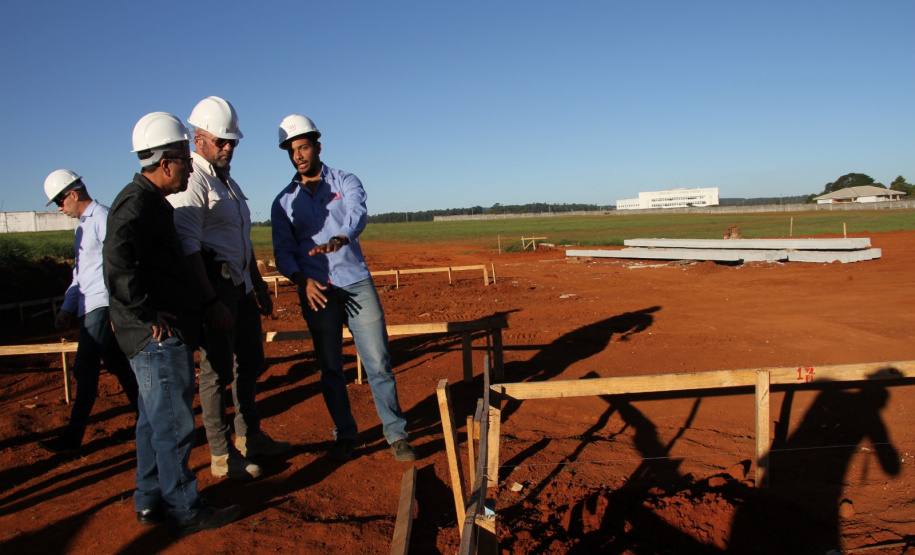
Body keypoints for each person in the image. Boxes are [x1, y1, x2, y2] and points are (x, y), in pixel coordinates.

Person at [104, 111, 241, 536]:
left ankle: (149, 500)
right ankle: (184, 507)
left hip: (155, 332)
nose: (188, 166)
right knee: (174, 424)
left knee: (152, 421)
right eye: (184, 158)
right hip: (156, 338)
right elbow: (116, 262)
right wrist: (146, 312)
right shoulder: (137, 204)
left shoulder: (149, 202)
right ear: (166, 164)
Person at [271, 114, 416, 462]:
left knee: (378, 361)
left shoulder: (345, 180)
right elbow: (282, 251)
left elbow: (357, 212)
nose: (298, 156)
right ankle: (345, 434)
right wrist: (301, 280)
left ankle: (396, 434)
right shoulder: (283, 202)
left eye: (303, 147)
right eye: (292, 151)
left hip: (355, 281)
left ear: (318, 146)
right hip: (316, 289)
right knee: (330, 367)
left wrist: (341, 236)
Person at [169, 96, 288, 481]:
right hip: (214, 288)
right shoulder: (192, 182)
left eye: (231, 141)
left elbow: (242, 240)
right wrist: (210, 300)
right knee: (216, 372)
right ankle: (221, 455)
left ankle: (249, 436)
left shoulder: (228, 182)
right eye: (220, 141)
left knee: (251, 362)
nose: (227, 147)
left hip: (239, 286)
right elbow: (188, 248)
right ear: (197, 139)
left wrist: (258, 284)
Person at [36, 170, 139, 454]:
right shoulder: (82, 226)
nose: (59, 207)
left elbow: (120, 261)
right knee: (118, 364)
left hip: (102, 304)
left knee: (84, 367)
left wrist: (118, 306)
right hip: (88, 304)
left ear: (73, 193)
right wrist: (67, 307)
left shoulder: (103, 218)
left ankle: (72, 438)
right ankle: (147, 419)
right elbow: (80, 273)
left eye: (59, 200)